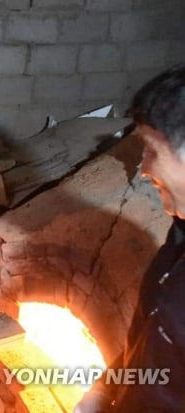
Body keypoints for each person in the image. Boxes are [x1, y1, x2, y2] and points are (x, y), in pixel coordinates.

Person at [74, 65, 185, 412]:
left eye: (152, 150)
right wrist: (106, 391)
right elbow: (148, 339)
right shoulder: (180, 233)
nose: (145, 169)